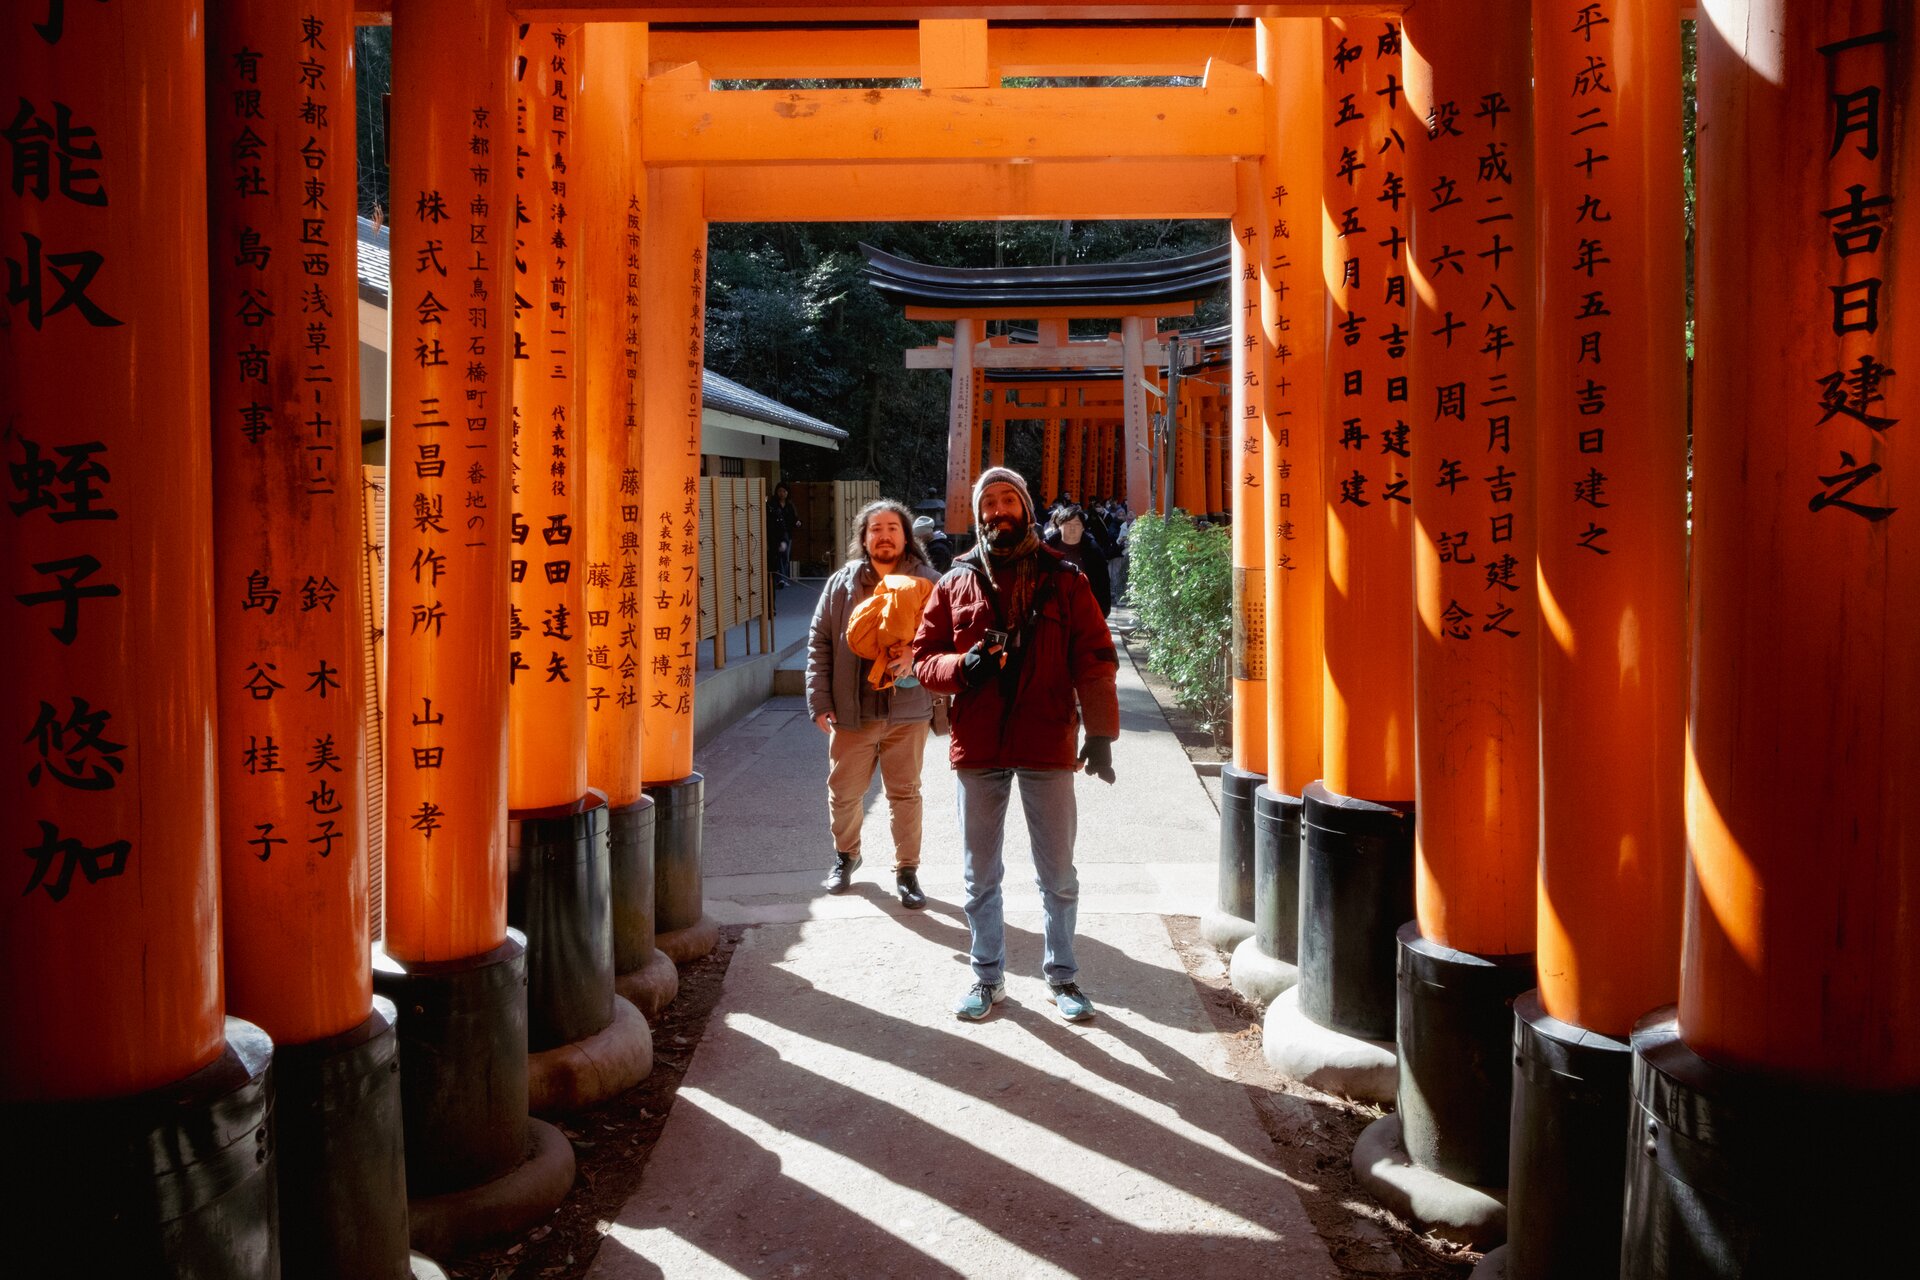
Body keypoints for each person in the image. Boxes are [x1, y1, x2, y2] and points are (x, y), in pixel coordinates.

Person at [913, 466, 1120, 1023]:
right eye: (989, 502)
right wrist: (963, 666)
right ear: (979, 514)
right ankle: (987, 977)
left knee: (1058, 874)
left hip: (1046, 737)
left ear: (1026, 509)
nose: (998, 510)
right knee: (979, 876)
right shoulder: (954, 582)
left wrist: (1101, 731)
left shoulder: (1065, 578)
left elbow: (1095, 657)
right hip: (979, 743)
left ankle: (1063, 976)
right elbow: (924, 657)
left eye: (1008, 500)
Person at [806, 498, 942, 909]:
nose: (884, 536)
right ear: (863, 538)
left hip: (908, 710)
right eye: (875, 529)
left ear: (906, 537)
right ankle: (846, 855)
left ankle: (907, 870)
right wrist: (819, 700)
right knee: (844, 793)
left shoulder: (929, 581)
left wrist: (916, 655)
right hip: (852, 710)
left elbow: (949, 638)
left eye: (892, 528)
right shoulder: (842, 584)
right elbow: (820, 642)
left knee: (905, 794)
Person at [1043, 504, 1111, 617]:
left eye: (1077, 524)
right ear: (1059, 526)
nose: (1072, 528)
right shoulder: (1048, 548)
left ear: (1083, 527)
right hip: (1053, 609)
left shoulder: (1093, 551)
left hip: (1084, 609)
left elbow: (1102, 582)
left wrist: (1103, 611)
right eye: (1068, 524)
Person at [767, 482, 800, 588]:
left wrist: (798, 522)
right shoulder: (772, 504)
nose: (782, 493)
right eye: (780, 491)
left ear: (787, 493)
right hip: (775, 535)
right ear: (777, 492)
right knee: (779, 556)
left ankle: (782, 578)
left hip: (787, 534)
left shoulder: (790, 505)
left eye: (784, 491)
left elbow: (795, 518)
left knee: (785, 556)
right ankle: (780, 579)